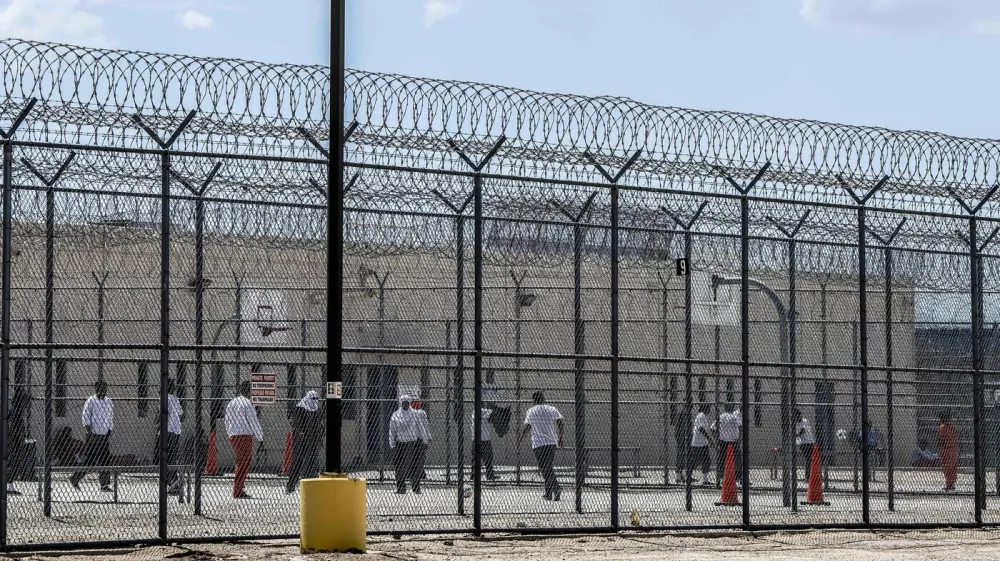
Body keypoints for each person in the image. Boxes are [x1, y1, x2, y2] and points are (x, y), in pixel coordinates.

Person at [70, 381, 114, 492]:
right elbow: (85, 416)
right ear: (96, 389)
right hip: (93, 435)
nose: (102, 392)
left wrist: (110, 429)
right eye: (100, 389)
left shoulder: (108, 401)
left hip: (104, 435)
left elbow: (110, 416)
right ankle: (75, 478)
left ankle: (104, 485)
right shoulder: (91, 401)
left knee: (105, 460)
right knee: (90, 460)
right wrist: (89, 431)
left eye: (104, 389)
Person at [520, 391, 564, 501]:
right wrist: (561, 437)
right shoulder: (551, 409)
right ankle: (549, 492)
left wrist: (522, 437)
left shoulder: (531, 411)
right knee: (547, 467)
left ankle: (556, 488)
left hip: (538, 444)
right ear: (543, 398)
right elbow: (560, 423)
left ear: (534, 400)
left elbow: (528, 426)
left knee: (545, 468)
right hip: (551, 442)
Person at [225, 381, 264, 499]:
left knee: (241, 461)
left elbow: (227, 419)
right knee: (243, 462)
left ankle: (239, 487)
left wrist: (229, 433)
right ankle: (237, 490)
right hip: (244, 434)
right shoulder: (248, 403)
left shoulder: (232, 402)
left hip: (233, 434)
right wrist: (260, 436)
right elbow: (253, 421)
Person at [389, 395, 429, 494]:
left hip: (413, 444)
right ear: (400, 403)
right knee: (399, 466)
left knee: (414, 466)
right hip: (400, 444)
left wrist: (425, 440)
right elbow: (392, 430)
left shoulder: (415, 414)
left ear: (410, 403)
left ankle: (416, 488)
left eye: (407, 402)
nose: (405, 404)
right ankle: (401, 488)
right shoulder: (396, 415)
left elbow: (420, 428)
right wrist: (392, 444)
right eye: (404, 402)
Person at [286, 390, 321, 494]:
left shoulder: (317, 409)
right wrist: (300, 432)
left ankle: (310, 483)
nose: (314, 402)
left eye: (315, 399)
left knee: (312, 461)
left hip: (312, 439)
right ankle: (291, 485)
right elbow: (293, 421)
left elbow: (319, 424)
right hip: (300, 440)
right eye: (312, 399)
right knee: (298, 460)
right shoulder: (299, 408)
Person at [712, 403, 742, 487]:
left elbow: (712, 428)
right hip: (733, 442)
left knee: (722, 460)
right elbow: (740, 427)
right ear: (732, 408)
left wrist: (716, 439)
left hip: (723, 442)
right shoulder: (734, 417)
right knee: (737, 461)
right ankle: (737, 480)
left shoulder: (721, 417)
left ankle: (721, 479)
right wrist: (739, 438)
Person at [7, 383, 29, 495]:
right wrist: (19, 436)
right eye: (24, 400)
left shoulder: (17, 411)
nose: (26, 404)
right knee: (12, 464)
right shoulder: (15, 412)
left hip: (13, 442)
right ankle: (8, 486)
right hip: (12, 442)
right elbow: (11, 427)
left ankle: (9, 486)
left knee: (13, 464)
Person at [165, 379, 183, 495]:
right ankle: (172, 481)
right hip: (174, 431)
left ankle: (171, 481)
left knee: (168, 457)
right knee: (172, 457)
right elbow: (181, 413)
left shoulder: (167, 398)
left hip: (169, 431)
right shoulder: (173, 399)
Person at [472, 403, 498, 481]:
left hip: (475, 439)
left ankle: (474, 475)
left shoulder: (474, 412)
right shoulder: (483, 410)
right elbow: (493, 414)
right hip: (485, 439)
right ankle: (490, 475)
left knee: (476, 458)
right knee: (488, 459)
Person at [689, 404, 712, 486]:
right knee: (696, 461)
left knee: (706, 460)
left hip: (702, 443)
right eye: (708, 407)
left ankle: (705, 479)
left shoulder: (703, 416)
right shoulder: (701, 415)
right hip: (698, 443)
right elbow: (701, 428)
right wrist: (709, 439)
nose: (709, 410)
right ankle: (688, 475)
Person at [939, 410, 958, 491]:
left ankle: (949, 484)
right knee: (952, 468)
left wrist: (940, 450)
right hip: (953, 450)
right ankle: (951, 484)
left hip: (946, 450)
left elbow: (940, 440)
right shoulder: (952, 427)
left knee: (947, 468)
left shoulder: (942, 428)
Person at [795, 409, 816, 481]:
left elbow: (802, 431)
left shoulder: (805, 421)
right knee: (808, 459)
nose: (797, 417)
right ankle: (808, 476)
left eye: (798, 415)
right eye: (796, 415)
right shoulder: (794, 424)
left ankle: (811, 475)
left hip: (810, 442)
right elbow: (797, 434)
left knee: (812, 459)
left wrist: (797, 434)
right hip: (803, 444)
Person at [414, 399, 431, 484]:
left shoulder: (421, 413)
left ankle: (419, 473)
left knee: (419, 456)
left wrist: (428, 437)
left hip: (417, 438)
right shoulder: (417, 413)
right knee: (419, 457)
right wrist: (428, 437)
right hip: (417, 438)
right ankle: (419, 473)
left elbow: (425, 425)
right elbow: (426, 425)